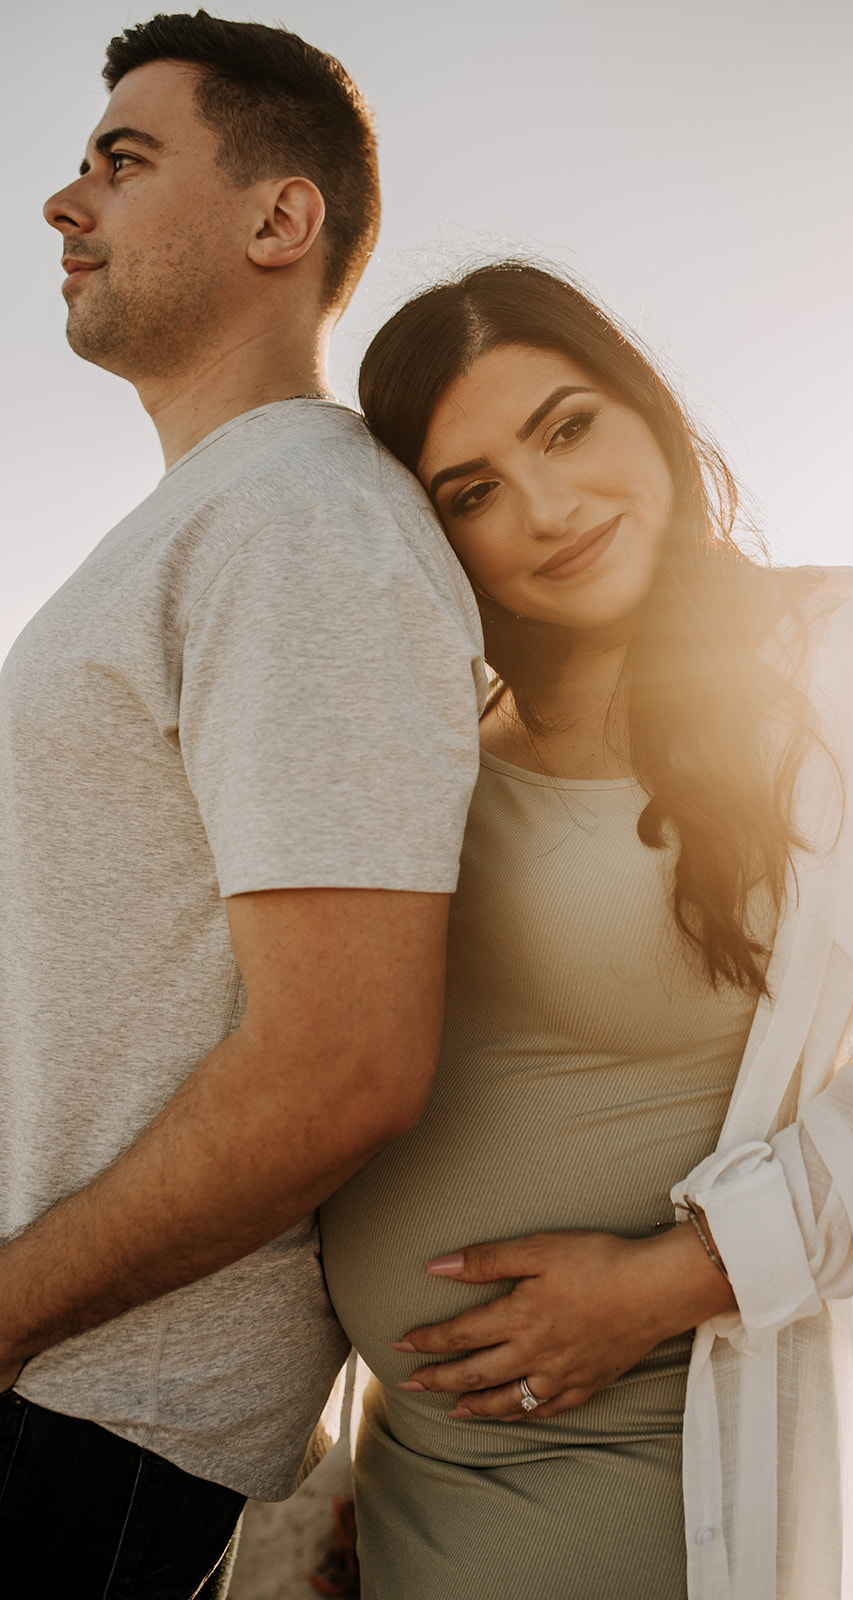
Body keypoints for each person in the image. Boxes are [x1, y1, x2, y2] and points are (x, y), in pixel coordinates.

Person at [320, 261, 853, 1600]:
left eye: (566, 427)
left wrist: (663, 1283)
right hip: (410, 1451)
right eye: (470, 491)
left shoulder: (836, 668)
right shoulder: (448, 733)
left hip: (640, 1437)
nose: (546, 509)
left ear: (646, 411)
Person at [0, 14, 482, 1598]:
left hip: (78, 1417)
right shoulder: (211, 516)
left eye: (122, 164)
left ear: (283, 219)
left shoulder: (302, 526)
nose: (65, 205)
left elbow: (339, 1063)